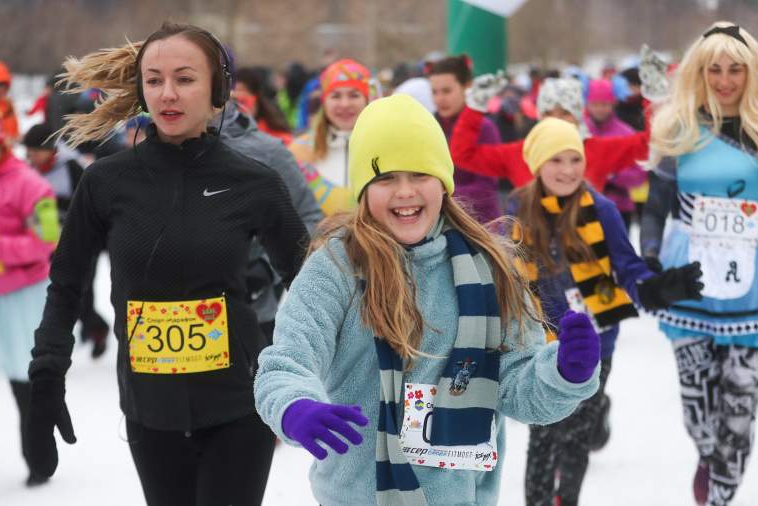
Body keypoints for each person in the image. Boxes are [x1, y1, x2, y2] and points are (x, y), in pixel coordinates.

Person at [254, 94, 602, 505]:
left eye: (420, 174)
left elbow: (518, 390)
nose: (405, 192)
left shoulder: (491, 267)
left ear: (444, 181)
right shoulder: (334, 267)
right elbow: (287, 361)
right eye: (385, 178)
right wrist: (297, 407)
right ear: (364, 190)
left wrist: (565, 373)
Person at [26, 22, 309, 506]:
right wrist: (47, 375)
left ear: (218, 88)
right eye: (154, 80)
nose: (167, 94)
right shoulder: (106, 183)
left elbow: (310, 286)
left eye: (185, 78)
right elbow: (67, 283)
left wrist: (306, 371)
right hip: (148, 409)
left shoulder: (253, 182)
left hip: (240, 406)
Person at [641, 23, 758, 506]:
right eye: (714, 69)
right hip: (691, 275)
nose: (724, 79)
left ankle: (719, 494)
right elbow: (656, 205)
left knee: (739, 406)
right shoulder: (678, 126)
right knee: (698, 410)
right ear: (699, 72)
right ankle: (708, 455)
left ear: (751, 72)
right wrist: (652, 260)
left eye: (735, 69)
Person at [511, 118, 703, 506]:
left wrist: (655, 287)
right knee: (544, 433)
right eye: (556, 160)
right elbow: (507, 273)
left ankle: (567, 499)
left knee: (575, 436)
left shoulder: (602, 209)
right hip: (540, 341)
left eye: (574, 159)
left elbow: (628, 267)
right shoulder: (518, 210)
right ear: (537, 165)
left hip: (595, 342)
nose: (567, 170)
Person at [0, 106, 60, 489]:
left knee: (26, 382)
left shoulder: (31, 185)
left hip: (21, 297)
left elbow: (47, 238)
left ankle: (39, 461)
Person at [449, 74, 650, 193]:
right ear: (538, 115)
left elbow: (649, 143)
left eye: (565, 113)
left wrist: (653, 100)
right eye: (548, 113)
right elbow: (463, 154)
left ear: (578, 116)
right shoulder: (521, 153)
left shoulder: (597, 150)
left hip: (584, 254)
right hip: (532, 255)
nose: (556, 120)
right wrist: (474, 108)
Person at [23, 123, 111, 359]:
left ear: (50, 149)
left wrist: (59, 206)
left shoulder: (71, 167)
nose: (32, 158)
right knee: (60, 292)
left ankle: (96, 330)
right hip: (46, 244)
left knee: (82, 292)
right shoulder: (28, 171)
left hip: (81, 241)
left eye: (36, 152)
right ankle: (92, 329)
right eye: (29, 153)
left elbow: (89, 203)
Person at [289, 58, 371, 216]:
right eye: (336, 96)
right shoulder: (298, 151)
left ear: (367, 99)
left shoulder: (383, 146)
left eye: (354, 95)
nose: (345, 104)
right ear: (324, 101)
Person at [428, 55, 503, 223]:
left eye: (447, 91)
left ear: (467, 87)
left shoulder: (484, 128)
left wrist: (438, 194)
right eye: (434, 92)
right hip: (440, 225)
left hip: (482, 226)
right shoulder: (428, 126)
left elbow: (486, 189)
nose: (440, 98)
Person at [585, 79, 648, 228]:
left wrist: (612, 175)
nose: (600, 109)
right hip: (583, 207)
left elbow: (639, 173)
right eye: (595, 104)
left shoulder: (625, 133)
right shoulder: (579, 130)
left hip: (618, 207)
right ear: (587, 104)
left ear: (613, 103)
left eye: (605, 104)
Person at [233, 67, 293, 145]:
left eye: (243, 101)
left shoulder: (275, 134)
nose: (239, 107)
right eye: (234, 100)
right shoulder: (224, 131)